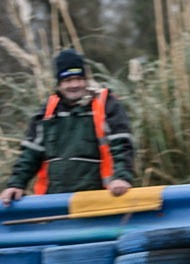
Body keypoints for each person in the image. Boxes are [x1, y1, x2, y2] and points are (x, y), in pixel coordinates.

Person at [1, 48, 134, 206]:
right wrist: (16, 184)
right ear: (59, 83)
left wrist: (121, 178)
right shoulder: (48, 111)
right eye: (67, 80)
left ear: (86, 79)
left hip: (99, 202)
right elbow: (30, 154)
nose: (74, 85)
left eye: (79, 78)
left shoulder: (106, 104)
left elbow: (122, 145)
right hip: (55, 202)